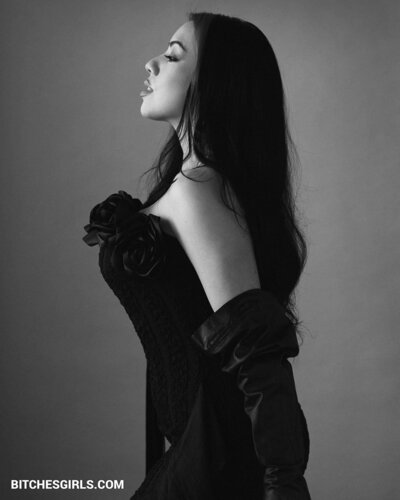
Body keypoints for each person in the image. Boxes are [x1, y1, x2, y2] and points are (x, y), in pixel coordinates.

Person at [83, 11, 312, 500]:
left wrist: (283, 486)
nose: (151, 64)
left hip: (217, 462)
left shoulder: (198, 189)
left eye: (172, 56)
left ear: (214, 84)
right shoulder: (190, 184)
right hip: (195, 452)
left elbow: (259, 360)